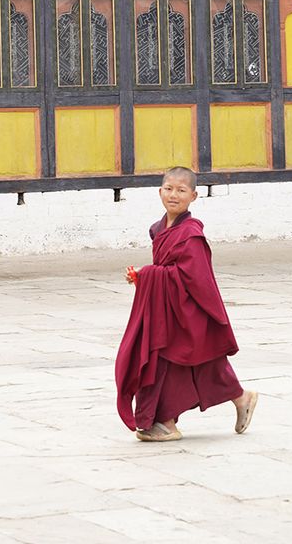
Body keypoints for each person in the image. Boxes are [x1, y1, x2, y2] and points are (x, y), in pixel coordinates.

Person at [115, 166, 258, 442]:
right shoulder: (159, 229)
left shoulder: (191, 234)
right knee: (198, 363)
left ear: (193, 196)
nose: (173, 195)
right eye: (168, 189)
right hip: (168, 308)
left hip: (188, 309)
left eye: (181, 191)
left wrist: (148, 275)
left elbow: (195, 278)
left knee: (174, 361)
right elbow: (169, 268)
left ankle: (166, 422)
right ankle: (240, 398)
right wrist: (147, 279)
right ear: (159, 192)